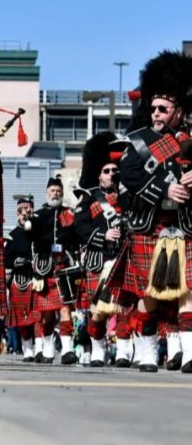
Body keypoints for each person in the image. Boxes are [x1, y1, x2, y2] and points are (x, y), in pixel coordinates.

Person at [118, 50, 192, 373]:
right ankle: (147, 352)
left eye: (163, 108)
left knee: (188, 291)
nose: (157, 113)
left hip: (185, 225)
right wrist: (164, 189)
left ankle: (190, 353)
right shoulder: (139, 141)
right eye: (153, 108)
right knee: (149, 293)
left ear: (178, 109)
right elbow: (129, 176)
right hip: (150, 227)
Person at [73, 132, 136, 367]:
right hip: (99, 260)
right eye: (107, 171)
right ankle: (98, 349)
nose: (112, 174)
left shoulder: (128, 196)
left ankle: (122, 352)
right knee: (97, 313)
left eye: (114, 170)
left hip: (123, 259)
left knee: (123, 310)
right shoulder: (90, 198)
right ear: (99, 175)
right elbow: (80, 226)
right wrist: (102, 235)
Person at [26, 176, 81, 363]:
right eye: (52, 191)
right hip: (45, 267)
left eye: (58, 191)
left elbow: (77, 237)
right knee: (47, 314)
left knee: (65, 309)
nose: (55, 194)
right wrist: (28, 222)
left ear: (62, 193)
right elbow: (31, 238)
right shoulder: (38, 215)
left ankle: (67, 350)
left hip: (64, 266)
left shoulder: (70, 214)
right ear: (47, 193)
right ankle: (48, 350)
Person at [4, 195, 40, 361]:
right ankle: (27, 350)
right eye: (21, 211)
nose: (24, 214)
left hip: (38, 278)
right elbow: (4, 259)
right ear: (17, 214)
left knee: (39, 316)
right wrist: (16, 262)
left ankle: (40, 349)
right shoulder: (12, 235)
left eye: (28, 210)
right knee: (23, 319)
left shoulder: (39, 231)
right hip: (20, 280)